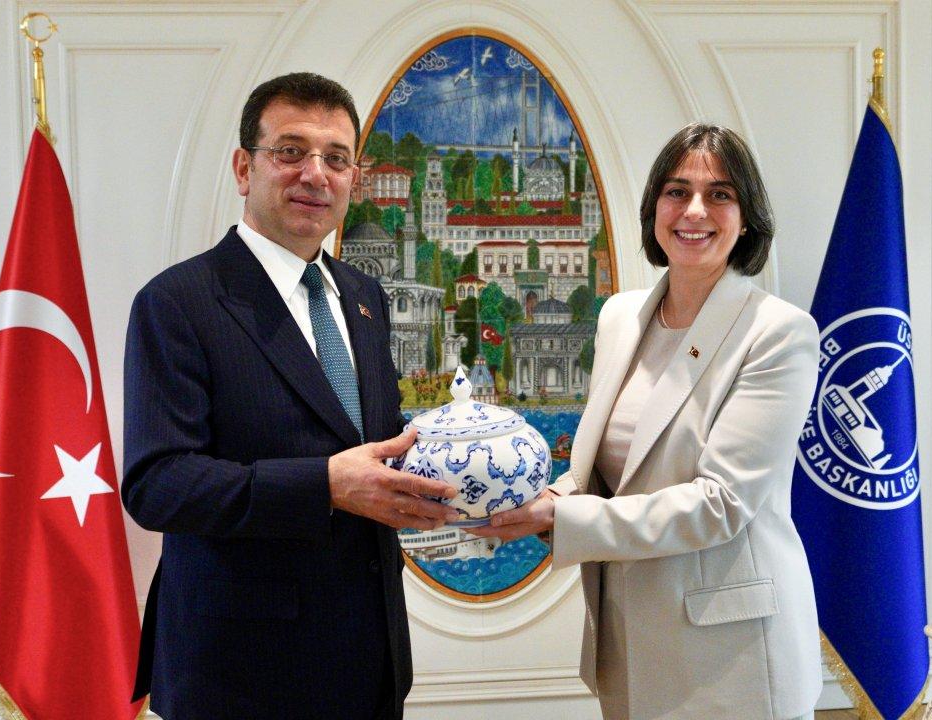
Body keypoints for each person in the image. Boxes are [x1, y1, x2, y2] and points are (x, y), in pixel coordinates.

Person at [122, 72, 458, 719]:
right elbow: (157, 484)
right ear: (243, 168)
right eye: (291, 151)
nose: (315, 174)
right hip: (240, 676)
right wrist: (323, 485)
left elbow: (373, 445)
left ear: (353, 179)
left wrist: (472, 480)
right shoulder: (177, 303)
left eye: (336, 158)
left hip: (370, 663)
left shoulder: (364, 297)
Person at [472, 124, 822, 720]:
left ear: (746, 219)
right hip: (627, 635)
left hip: (730, 654)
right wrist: (529, 499)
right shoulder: (619, 317)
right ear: (653, 209)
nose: (694, 211)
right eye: (676, 191)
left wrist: (562, 518)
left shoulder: (778, 333)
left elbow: (721, 504)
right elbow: (607, 471)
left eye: (719, 194)